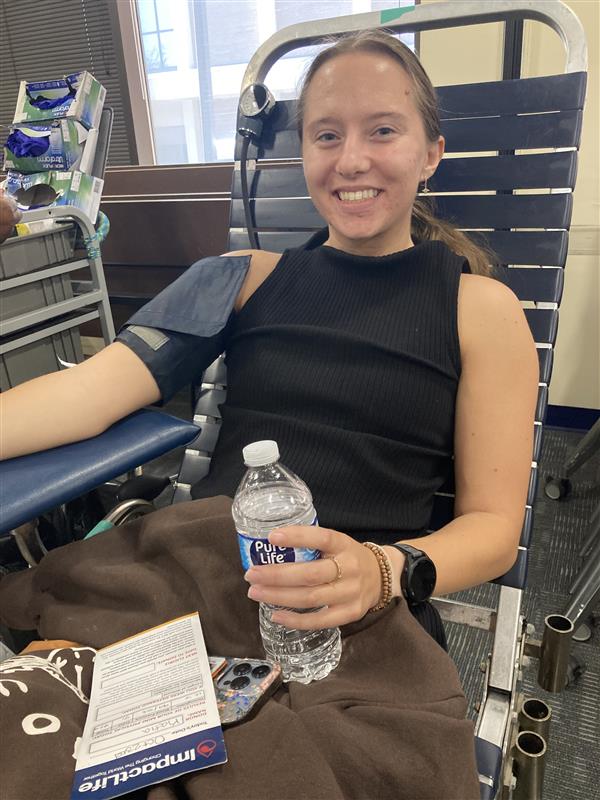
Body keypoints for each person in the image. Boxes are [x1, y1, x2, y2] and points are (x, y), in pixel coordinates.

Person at [0, 31, 538, 645]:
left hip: (349, 610)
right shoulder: (238, 278)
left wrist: (386, 571)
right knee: (50, 703)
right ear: (304, 151)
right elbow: (88, 394)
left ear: (431, 153)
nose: (351, 160)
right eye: (327, 135)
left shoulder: (481, 310)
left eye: (383, 131)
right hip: (195, 579)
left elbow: (493, 528)